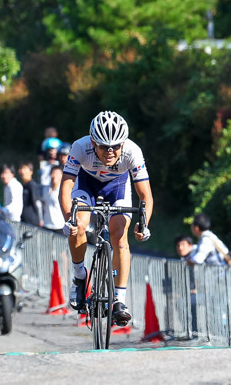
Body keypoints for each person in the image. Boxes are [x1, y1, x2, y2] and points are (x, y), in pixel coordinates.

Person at [59, 111, 153, 325]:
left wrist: (144, 223)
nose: (110, 152)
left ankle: (119, 300)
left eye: (115, 146)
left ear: (123, 143)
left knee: (119, 236)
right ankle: (80, 276)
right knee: (79, 225)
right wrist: (68, 218)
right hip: (86, 184)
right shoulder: (80, 147)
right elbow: (66, 187)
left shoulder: (132, 151)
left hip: (117, 187)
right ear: (93, 143)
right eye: (103, 147)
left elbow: (145, 195)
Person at [18, 162, 43, 227]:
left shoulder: (33, 185)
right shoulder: (22, 186)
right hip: (23, 219)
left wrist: (40, 219)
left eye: (25, 169)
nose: (22, 172)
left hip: (32, 220)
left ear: (31, 172)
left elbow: (37, 203)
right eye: (21, 169)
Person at [42, 165, 65, 233]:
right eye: (53, 173)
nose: (54, 176)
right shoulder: (45, 189)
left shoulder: (63, 191)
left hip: (59, 226)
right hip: (46, 224)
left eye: (57, 174)